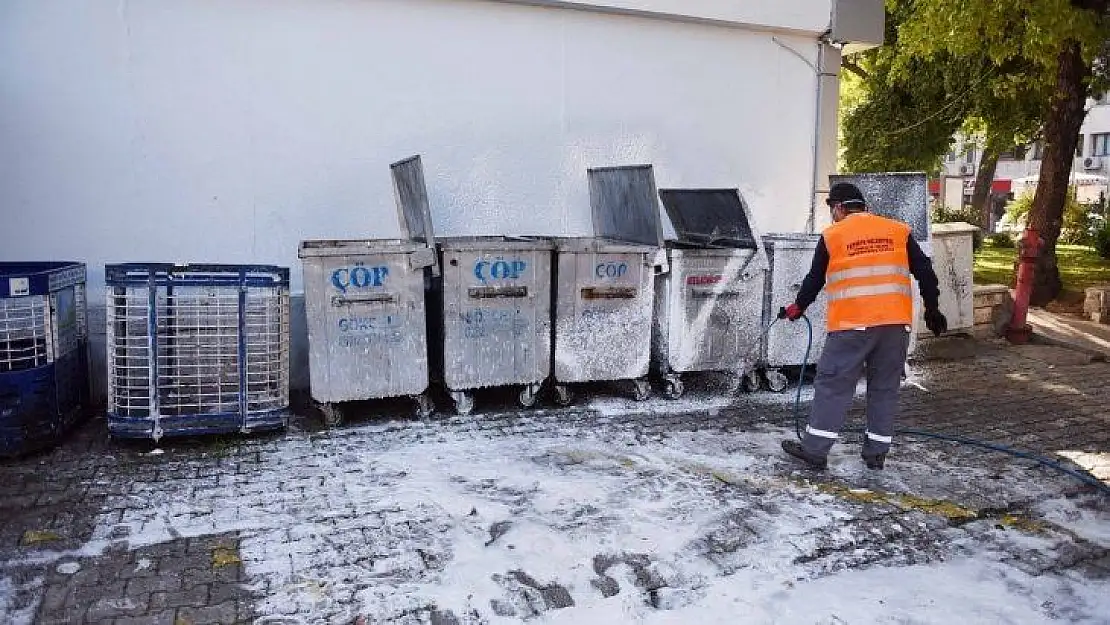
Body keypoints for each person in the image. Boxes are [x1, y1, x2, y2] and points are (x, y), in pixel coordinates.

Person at [778, 182, 947, 470]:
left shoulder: (833, 235)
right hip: (895, 327)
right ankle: (876, 454)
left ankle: (815, 450)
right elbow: (926, 274)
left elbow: (814, 280)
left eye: (832, 208)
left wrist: (798, 308)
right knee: (884, 388)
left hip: (851, 326)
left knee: (833, 385)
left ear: (840, 207)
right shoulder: (898, 231)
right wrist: (933, 309)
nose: (832, 214)